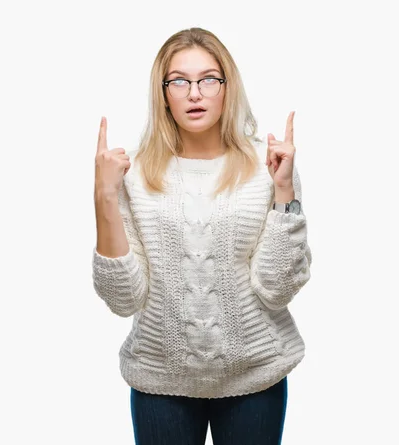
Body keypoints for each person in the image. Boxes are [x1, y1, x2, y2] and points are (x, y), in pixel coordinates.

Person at [92, 27, 312, 445]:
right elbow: (123, 299)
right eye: (179, 80)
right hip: (161, 380)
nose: (195, 93)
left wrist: (284, 191)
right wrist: (104, 194)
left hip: (254, 376)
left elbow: (277, 290)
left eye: (209, 79)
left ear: (228, 88)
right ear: (163, 93)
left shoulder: (268, 166)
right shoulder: (131, 175)